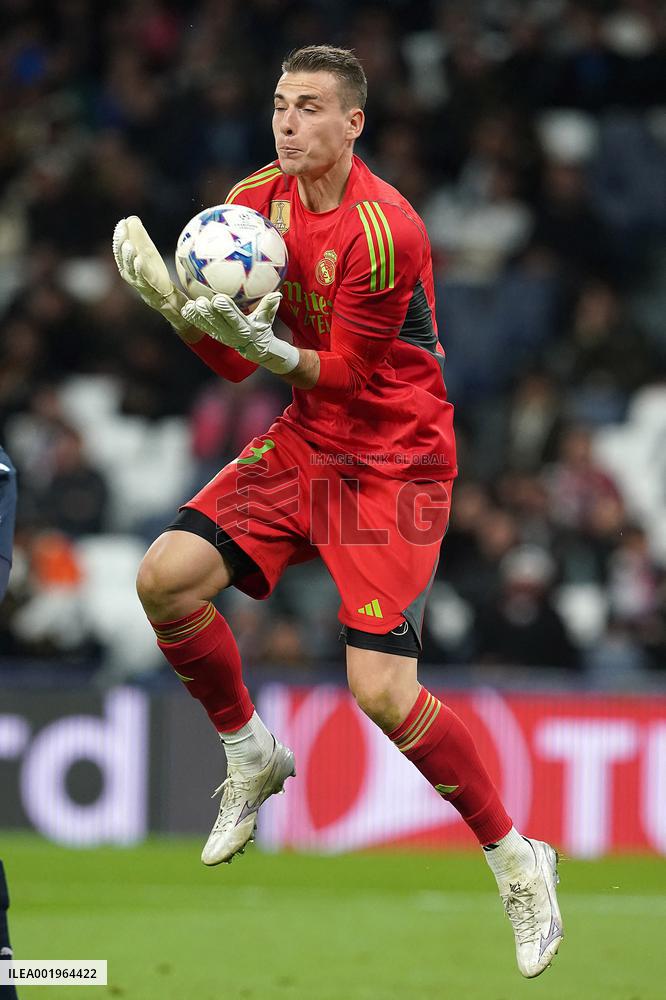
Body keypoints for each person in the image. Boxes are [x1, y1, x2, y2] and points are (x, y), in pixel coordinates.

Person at [113, 45, 562, 979]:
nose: (287, 122)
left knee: (380, 691)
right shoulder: (253, 204)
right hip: (310, 441)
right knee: (163, 579)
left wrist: (259, 347)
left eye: (310, 107)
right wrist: (181, 314)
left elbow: (354, 378)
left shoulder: (384, 228)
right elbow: (242, 363)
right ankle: (250, 753)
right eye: (280, 103)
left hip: (394, 465)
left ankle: (517, 860)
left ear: (353, 123)